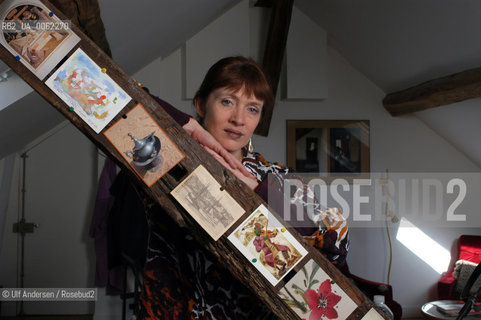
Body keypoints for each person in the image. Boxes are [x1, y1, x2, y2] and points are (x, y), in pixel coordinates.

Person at [138, 56, 348, 319]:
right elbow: (124, 95)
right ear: (201, 104)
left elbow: (334, 247)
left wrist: (258, 190)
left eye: (252, 109)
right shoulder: (164, 157)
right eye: (227, 101)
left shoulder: (279, 177)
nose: (239, 119)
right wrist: (187, 127)